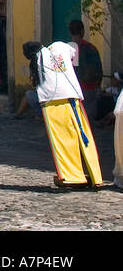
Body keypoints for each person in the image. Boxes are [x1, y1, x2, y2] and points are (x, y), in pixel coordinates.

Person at [24, 40, 104, 189]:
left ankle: (72, 176)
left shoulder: (37, 63)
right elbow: (74, 53)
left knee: (63, 142)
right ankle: (95, 175)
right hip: (73, 97)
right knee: (83, 136)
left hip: (52, 103)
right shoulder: (60, 47)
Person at [68, 19, 103, 121]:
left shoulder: (68, 48)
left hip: (72, 89)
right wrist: (98, 86)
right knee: (88, 120)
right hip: (89, 88)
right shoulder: (90, 48)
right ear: (82, 31)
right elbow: (99, 69)